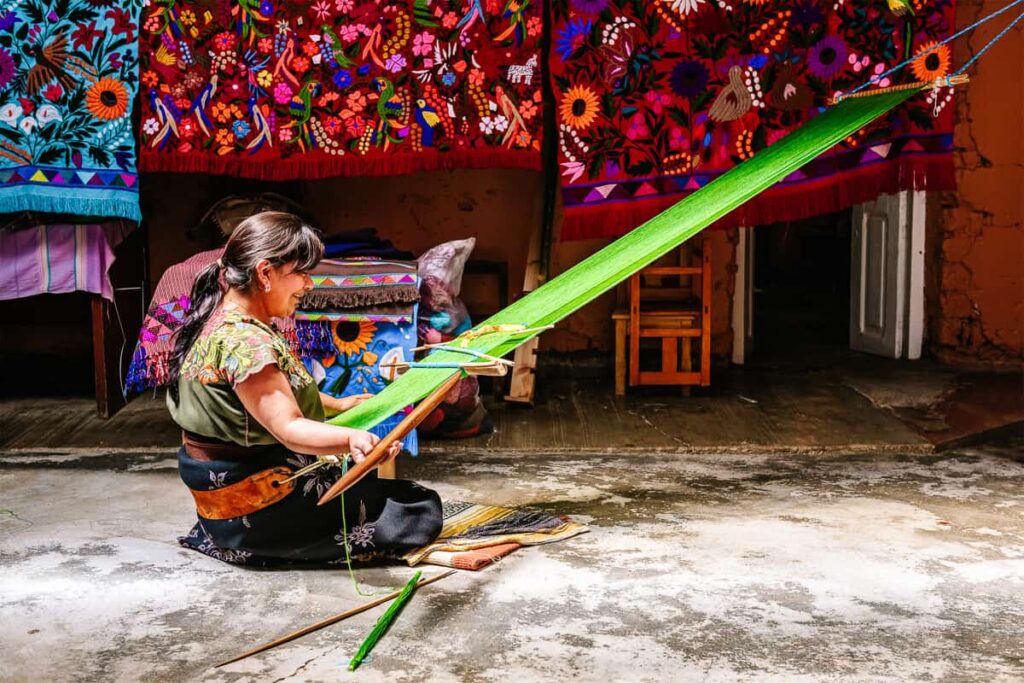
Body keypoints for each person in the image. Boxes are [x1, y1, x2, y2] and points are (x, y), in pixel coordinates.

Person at [167, 211, 442, 566]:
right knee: (416, 509)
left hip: (226, 497)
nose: (308, 284)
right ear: (265, 273)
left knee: (371, 483)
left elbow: (270, 394)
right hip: (257, 508)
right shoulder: (246, 342)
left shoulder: (224, 320)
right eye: (300, 272)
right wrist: (350, 439)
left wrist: (338, 406)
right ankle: (263, 541)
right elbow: (289, 428)